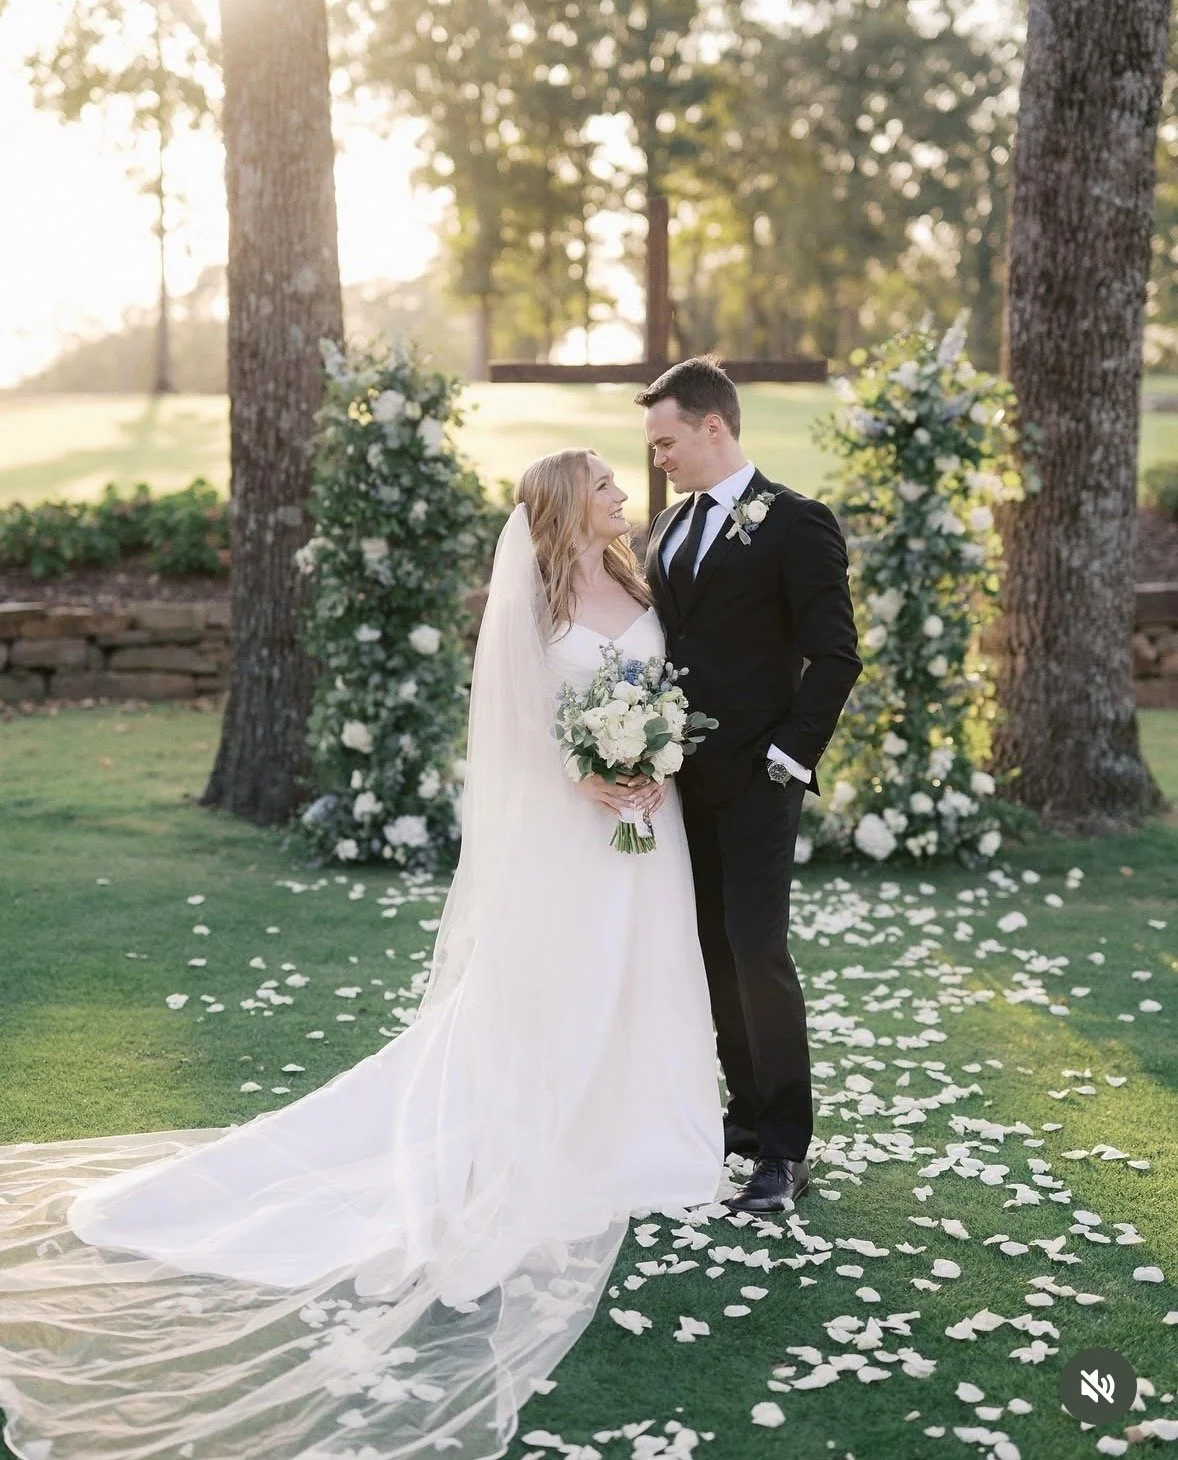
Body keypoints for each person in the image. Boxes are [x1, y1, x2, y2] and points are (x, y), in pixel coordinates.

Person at [0, 450, 725, 1460]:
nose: (619, 494)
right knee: (564, 982)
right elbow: (513, 730)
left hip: (653, 820)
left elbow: (665, 685)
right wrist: (588, 773)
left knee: (647, 969)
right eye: (603, 485)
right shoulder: (533, 605)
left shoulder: (643, 580)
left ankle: (655, 1120)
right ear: (565, 508)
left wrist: (650, 758)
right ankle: (560, 1123)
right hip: (573, 827)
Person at [637, 355, 862, 1214]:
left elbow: (836, 654)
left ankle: (786, 1148)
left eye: (667, 441)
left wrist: (790, 756)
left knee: (757, 951)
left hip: (759, 782)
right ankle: (743, 1113)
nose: (658, 456)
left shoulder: (794, 522)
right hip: (677, 784)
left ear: (713, 426)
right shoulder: (661, 529)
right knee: (706, 952)